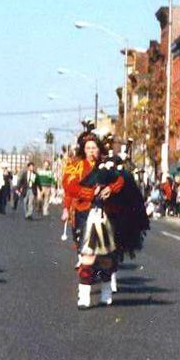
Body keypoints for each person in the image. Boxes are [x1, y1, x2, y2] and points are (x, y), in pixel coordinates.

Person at [61, 128, 125, 308]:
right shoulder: (76, 165)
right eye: (88, 148)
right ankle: (84, 296)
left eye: (94, 148)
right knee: (86, 256)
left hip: (105, 215)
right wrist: (89, 193)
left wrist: (109, 190)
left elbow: (120, 180)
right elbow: (69, 185)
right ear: (83, 149)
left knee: (105, 257)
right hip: (83, 213)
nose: (91, 151)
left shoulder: (108, 164)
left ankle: (106, 291)